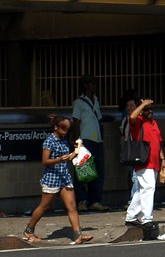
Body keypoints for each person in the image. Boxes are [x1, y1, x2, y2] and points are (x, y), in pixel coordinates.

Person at [23, 115, 93, 244]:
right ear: (56, 127)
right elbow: (45, 161)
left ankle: (78, 235)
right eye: (64, 129)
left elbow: (69, 157)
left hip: (64, 177)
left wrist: (77, 150)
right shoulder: (50, 141)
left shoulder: (64, 139)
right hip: (52, 177)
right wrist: (59, 159)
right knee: (44, 206)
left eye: (67, 129)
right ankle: (29, 229)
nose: (66, 132)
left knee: (72, 206)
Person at [124, 98, 165, 226]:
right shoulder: (138, 122)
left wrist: (163, 159)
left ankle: (131, 216)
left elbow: (158, 143)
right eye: (147, 109)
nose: (150, 111)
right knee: (149, 188)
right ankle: (147, 218)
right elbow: (131, 117)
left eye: (151, 109)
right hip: (144, 161)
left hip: (154, 162)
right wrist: (142, 105)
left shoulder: (154, 123)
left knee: (140, 190)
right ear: (142, 111)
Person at [71, 73, 109, 213]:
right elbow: (76, 121)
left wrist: (102, 137)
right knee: (83, 169)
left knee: (98, 171)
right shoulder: (79, 102)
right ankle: (81, 200)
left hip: (97, 139)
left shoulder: (96, 100)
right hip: (85, 139)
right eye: (92, 83)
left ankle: (95, 200)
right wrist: (78, 140)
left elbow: (99, 119)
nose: (94, 86)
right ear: (86, 85)